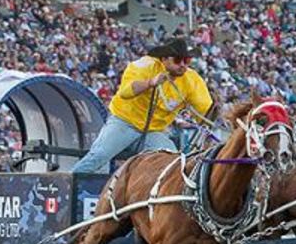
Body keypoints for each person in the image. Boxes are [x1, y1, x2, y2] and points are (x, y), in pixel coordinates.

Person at [71, 37, 213, 174]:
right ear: (164, 59)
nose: (183, 65)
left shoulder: (192, 80)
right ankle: (66, 185)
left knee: (173, 164)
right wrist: (150, 83)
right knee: (98, 157)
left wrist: (208, 133)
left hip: (153, 131)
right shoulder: (144, 66)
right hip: (124, 122)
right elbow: (125, 92)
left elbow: (205, 110)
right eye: (177, 60)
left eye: (187, 60)